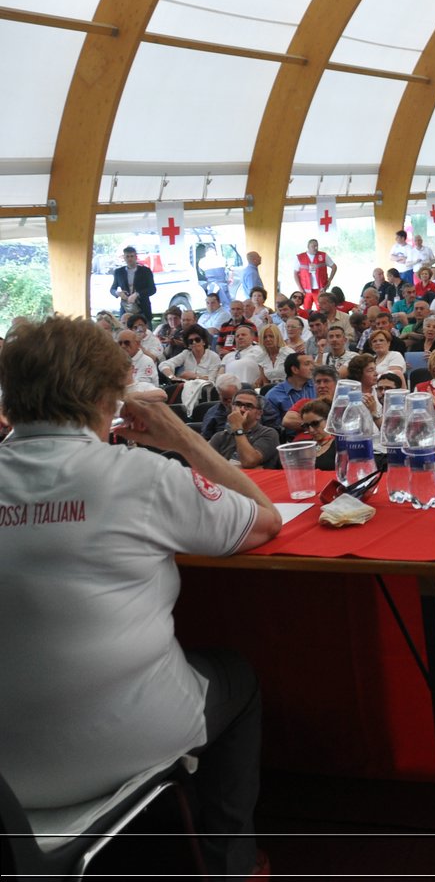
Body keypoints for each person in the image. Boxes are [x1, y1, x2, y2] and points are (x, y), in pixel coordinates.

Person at [0, 316, 281, 876]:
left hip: (6, 775)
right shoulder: (141, 476)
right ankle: (232, 863)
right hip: (116, 743)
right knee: (236, 676)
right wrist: (180, 435)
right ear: (111, 398)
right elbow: (264, 520)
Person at [207, 386, 280, 469]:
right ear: (232, 408)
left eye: (248, 406)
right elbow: (206, 466)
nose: (241, 409)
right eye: (237, 404)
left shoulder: (268, 433)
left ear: (259, 414)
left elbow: (249, 461)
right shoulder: (220, 437)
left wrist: (238, 428)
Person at [111, 245, 157, 320]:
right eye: (127, 256)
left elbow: (152, 289)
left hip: (143, 308)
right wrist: (118, 293)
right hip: (126, 308)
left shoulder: (146, 271)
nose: (130, 259)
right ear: (124, 257)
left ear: (136, 257)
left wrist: (137, 294)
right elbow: (112, 289)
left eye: (132, 256)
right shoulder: (119, 272)